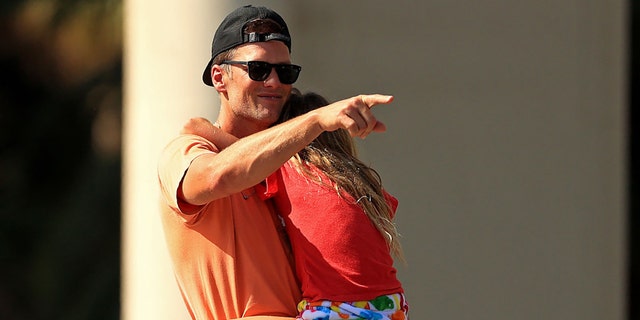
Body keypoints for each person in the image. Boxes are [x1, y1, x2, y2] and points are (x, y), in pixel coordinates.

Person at [157, 5, 393, 320]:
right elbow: (217, 176)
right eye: (257, 69)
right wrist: (316, 121)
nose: (273, 82)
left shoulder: (295, 165)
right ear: (219, 77)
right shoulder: (185, 150)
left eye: (285, 72)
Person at [182, 89, 409, 320]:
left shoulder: (287, 170)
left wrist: (201, 126)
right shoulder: (363, 181)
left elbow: (224, 146)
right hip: (391, 304)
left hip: (337, 309)